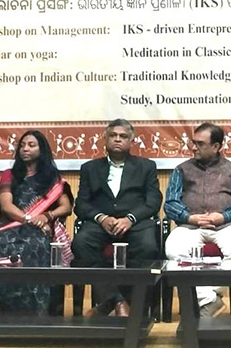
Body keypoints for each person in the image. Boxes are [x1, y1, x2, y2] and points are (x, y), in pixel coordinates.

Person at [72, 119, 162, 318]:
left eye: (123, 136)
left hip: (136, 223)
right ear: (105, 139)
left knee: (148, 247)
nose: (118, 140)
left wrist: (130, 218)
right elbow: (81, 204)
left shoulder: (146, 166)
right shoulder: (89, 168)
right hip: (101, 224)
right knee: (81, 243)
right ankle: (116, 300)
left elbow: (154, 201)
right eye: (113, 136)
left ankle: (129, 303)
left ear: (131, 141)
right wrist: (101, 218)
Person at [0, 130, 73, 314]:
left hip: (40, 229)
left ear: (42, 149)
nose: (25, 149)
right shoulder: (9, 175)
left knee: (35, 245)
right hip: (10, 225)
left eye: (31, 145)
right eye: (22, 145)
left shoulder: (53, 177)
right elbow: (6, 206)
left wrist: (47, 216)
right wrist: (29, 219)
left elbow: (66, 207)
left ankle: (36, 309)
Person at [164, 122, 231, 318]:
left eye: (200, 144)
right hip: (190, 226)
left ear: (216, 146)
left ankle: (205, 297)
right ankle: (209, 300)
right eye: (193, 142)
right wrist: (190, 217)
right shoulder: (181, 170)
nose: (194, 147)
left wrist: (223, 216)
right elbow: (170, 203)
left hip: (225, 226)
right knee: (173, 250)